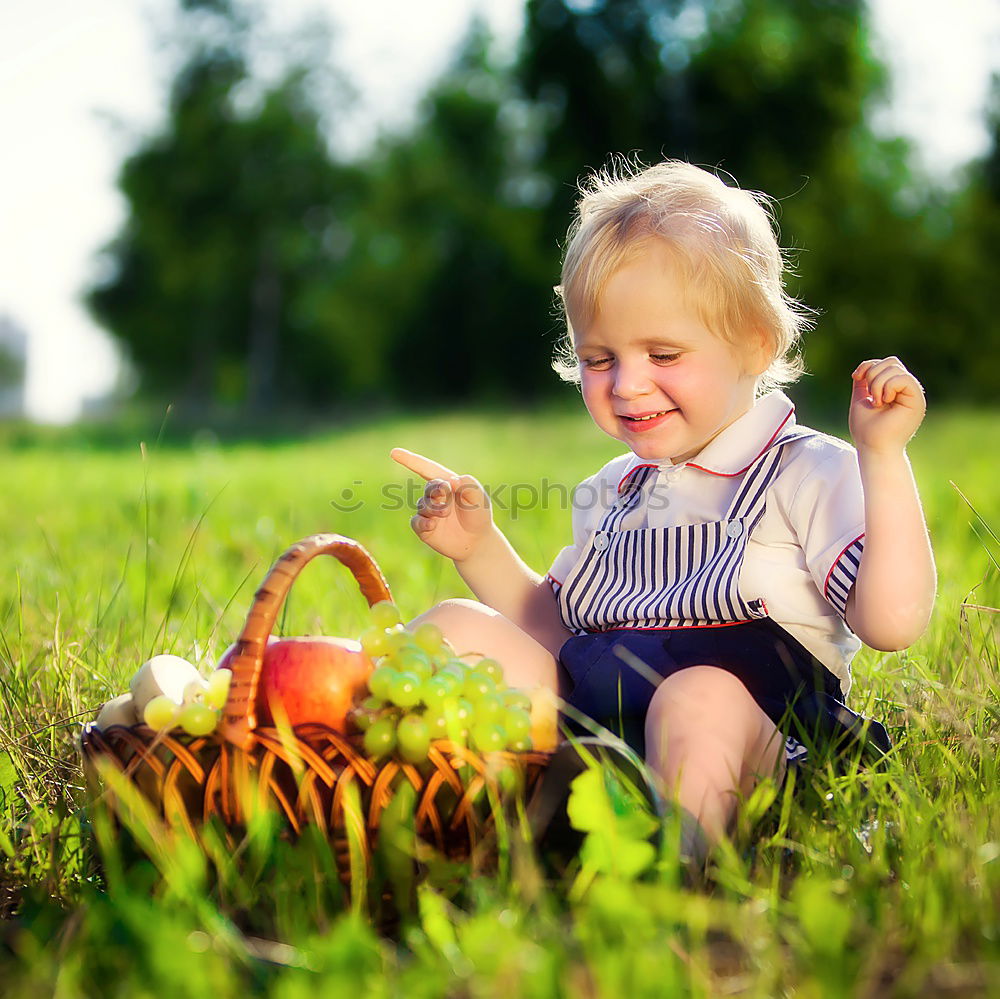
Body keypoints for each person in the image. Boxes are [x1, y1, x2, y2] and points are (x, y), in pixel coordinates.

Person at [390, 159, 936, 865]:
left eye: (663, 352)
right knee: (456, 630)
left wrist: (883, 458)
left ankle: (679, 872)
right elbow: (560, 635)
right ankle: (402, 805)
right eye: (598, 357)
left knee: (695, 696)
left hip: (763, 751)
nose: (627, 382)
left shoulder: (804, 468)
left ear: (755, 343)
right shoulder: (615, 488)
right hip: (604, 742)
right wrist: (479, 548)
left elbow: (892, 621)